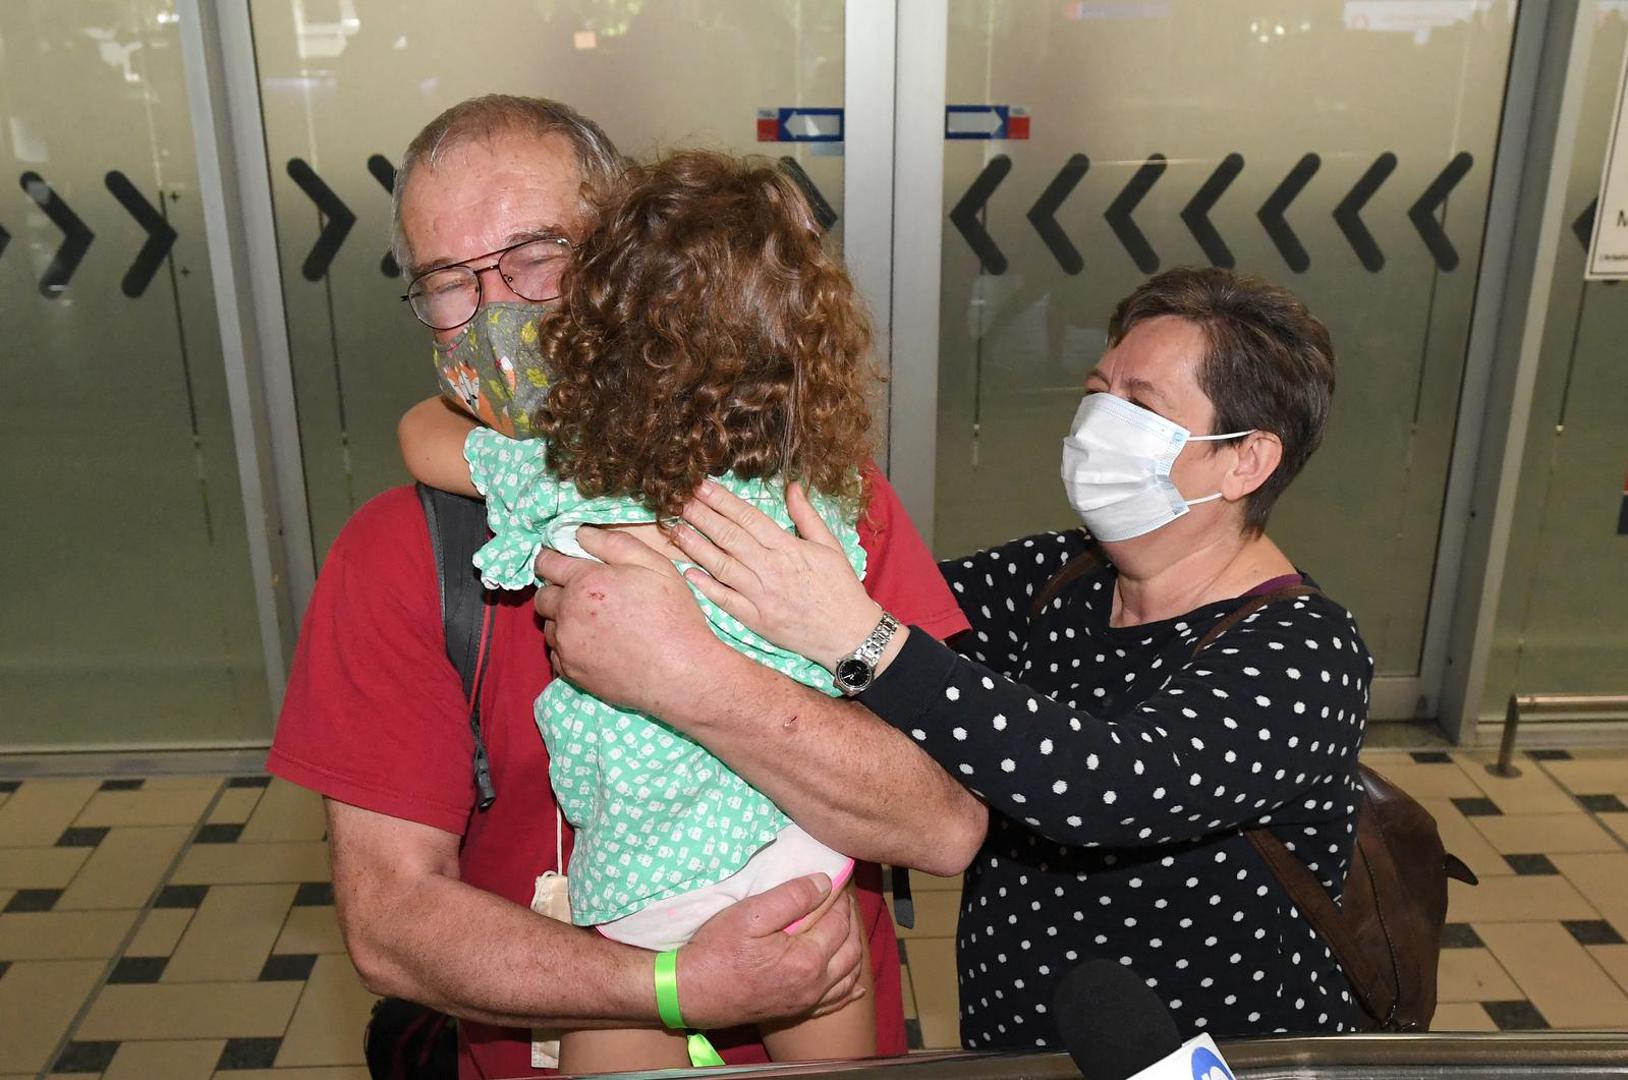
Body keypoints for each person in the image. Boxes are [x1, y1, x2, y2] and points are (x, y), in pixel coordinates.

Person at [267, 95, 984, 1080]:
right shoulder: (396, 553)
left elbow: (944, 822)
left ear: (631, 261)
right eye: (448, 281)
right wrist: (665, 987)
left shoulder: (824, 501)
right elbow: (390, 924)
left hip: (815, 977)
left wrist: (688, 674)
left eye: (533, 258)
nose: (495, 312)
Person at [531, 266, 1374, 1048]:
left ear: (1247, 459)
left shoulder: (1306, 651)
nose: (1097, 423)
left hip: (1215, 1056)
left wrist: (856, 640)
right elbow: (839, 602)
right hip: (1021, 1050)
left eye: (1141, 406)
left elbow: (1100, 786)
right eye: (1097, 391)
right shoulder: (1061, 578)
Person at [398, 148, 887, 1071]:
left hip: (638, 892)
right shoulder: (821, 500)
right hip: (798, 869)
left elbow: (423, 438)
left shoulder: (574, 482)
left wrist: (514, 419)